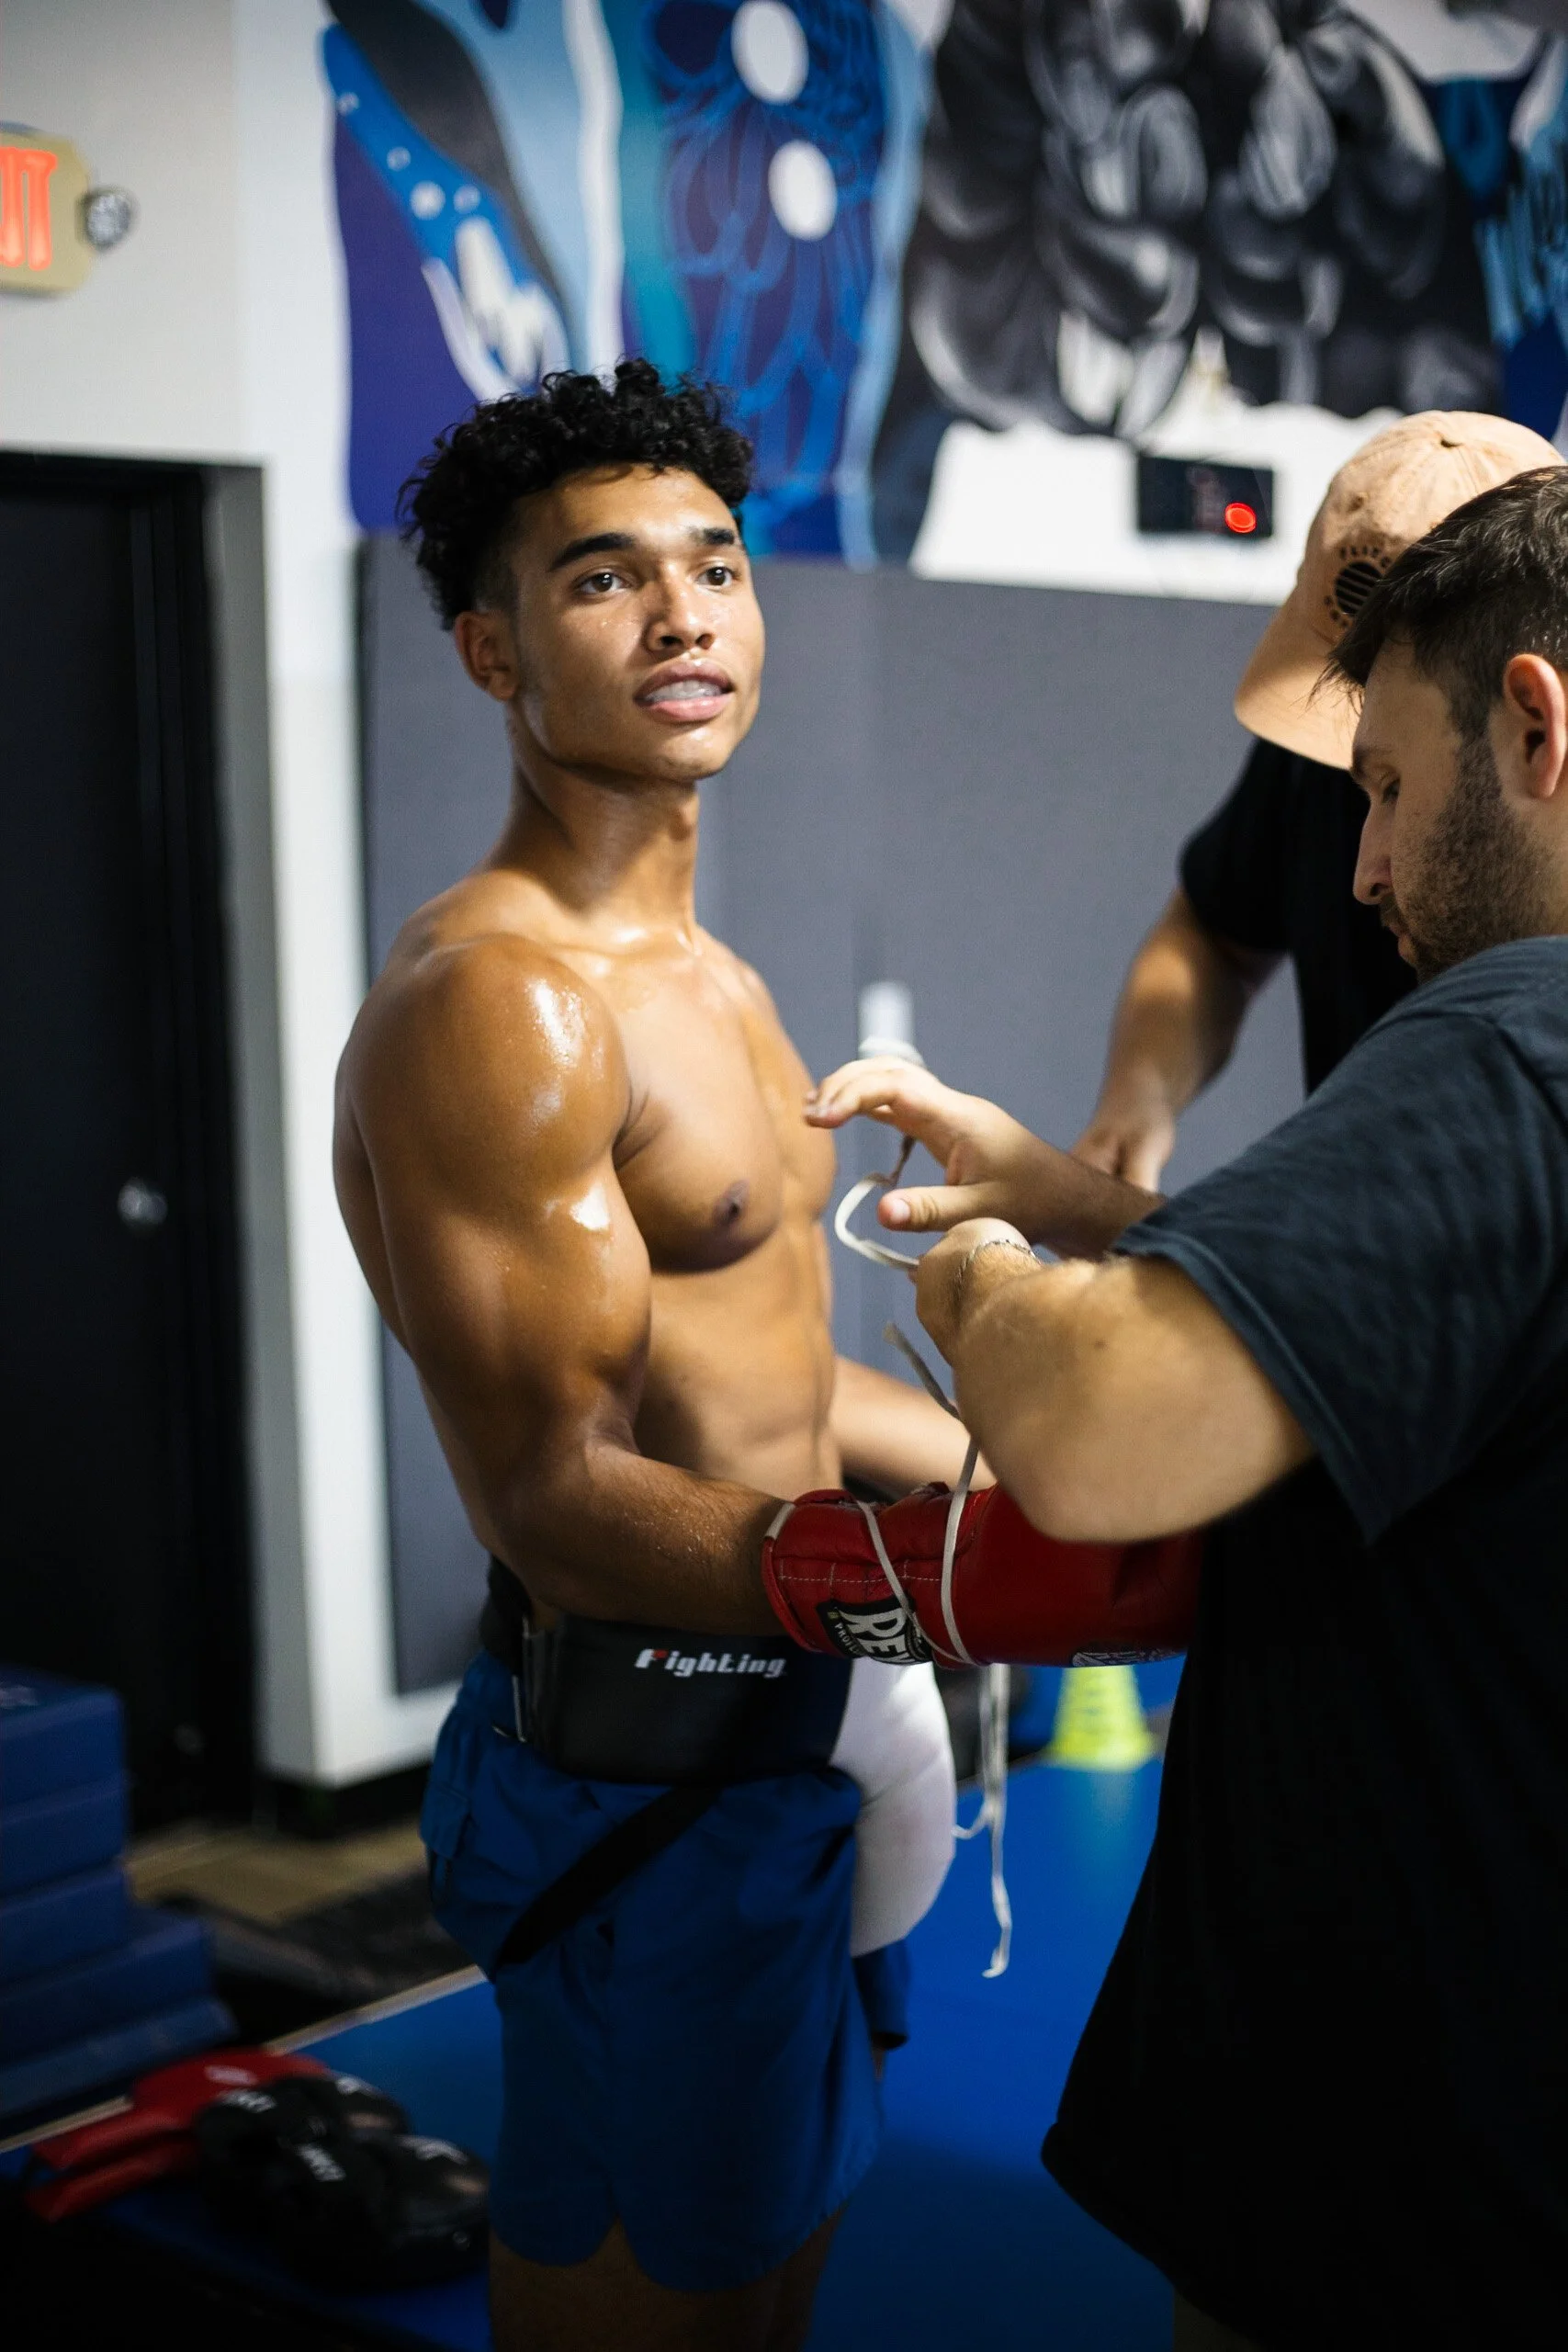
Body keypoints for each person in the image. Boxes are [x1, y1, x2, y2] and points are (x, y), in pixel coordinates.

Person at [800, 463, 1568, 2346]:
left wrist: (981, 1280)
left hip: (1413, 2161)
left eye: (1383, 787)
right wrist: (1078, 1191)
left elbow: (1102, 1433)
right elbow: (1441, 1309)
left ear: (1531, 727)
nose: (1362, 870)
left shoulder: (1508, 1030)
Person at [333, 363, 970, 2352]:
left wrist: (1009, 1472)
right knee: (649, 2298)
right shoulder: (504, 1006)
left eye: (714, 564)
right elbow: (553, 1492)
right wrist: (929, 1581)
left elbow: (770, 1389)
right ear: (489, 651)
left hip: (795, 1728)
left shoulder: (720, 980)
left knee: (773, 2249)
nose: (685, 615)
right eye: (603, 581)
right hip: (633, 1765)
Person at [1073, 411, 1559, 1190]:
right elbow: (1212, 931)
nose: (1368, 873)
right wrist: (1139, 1098)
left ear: (1533, 730)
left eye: (1399, 783)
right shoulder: (1308, 760)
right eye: (1367, 779)